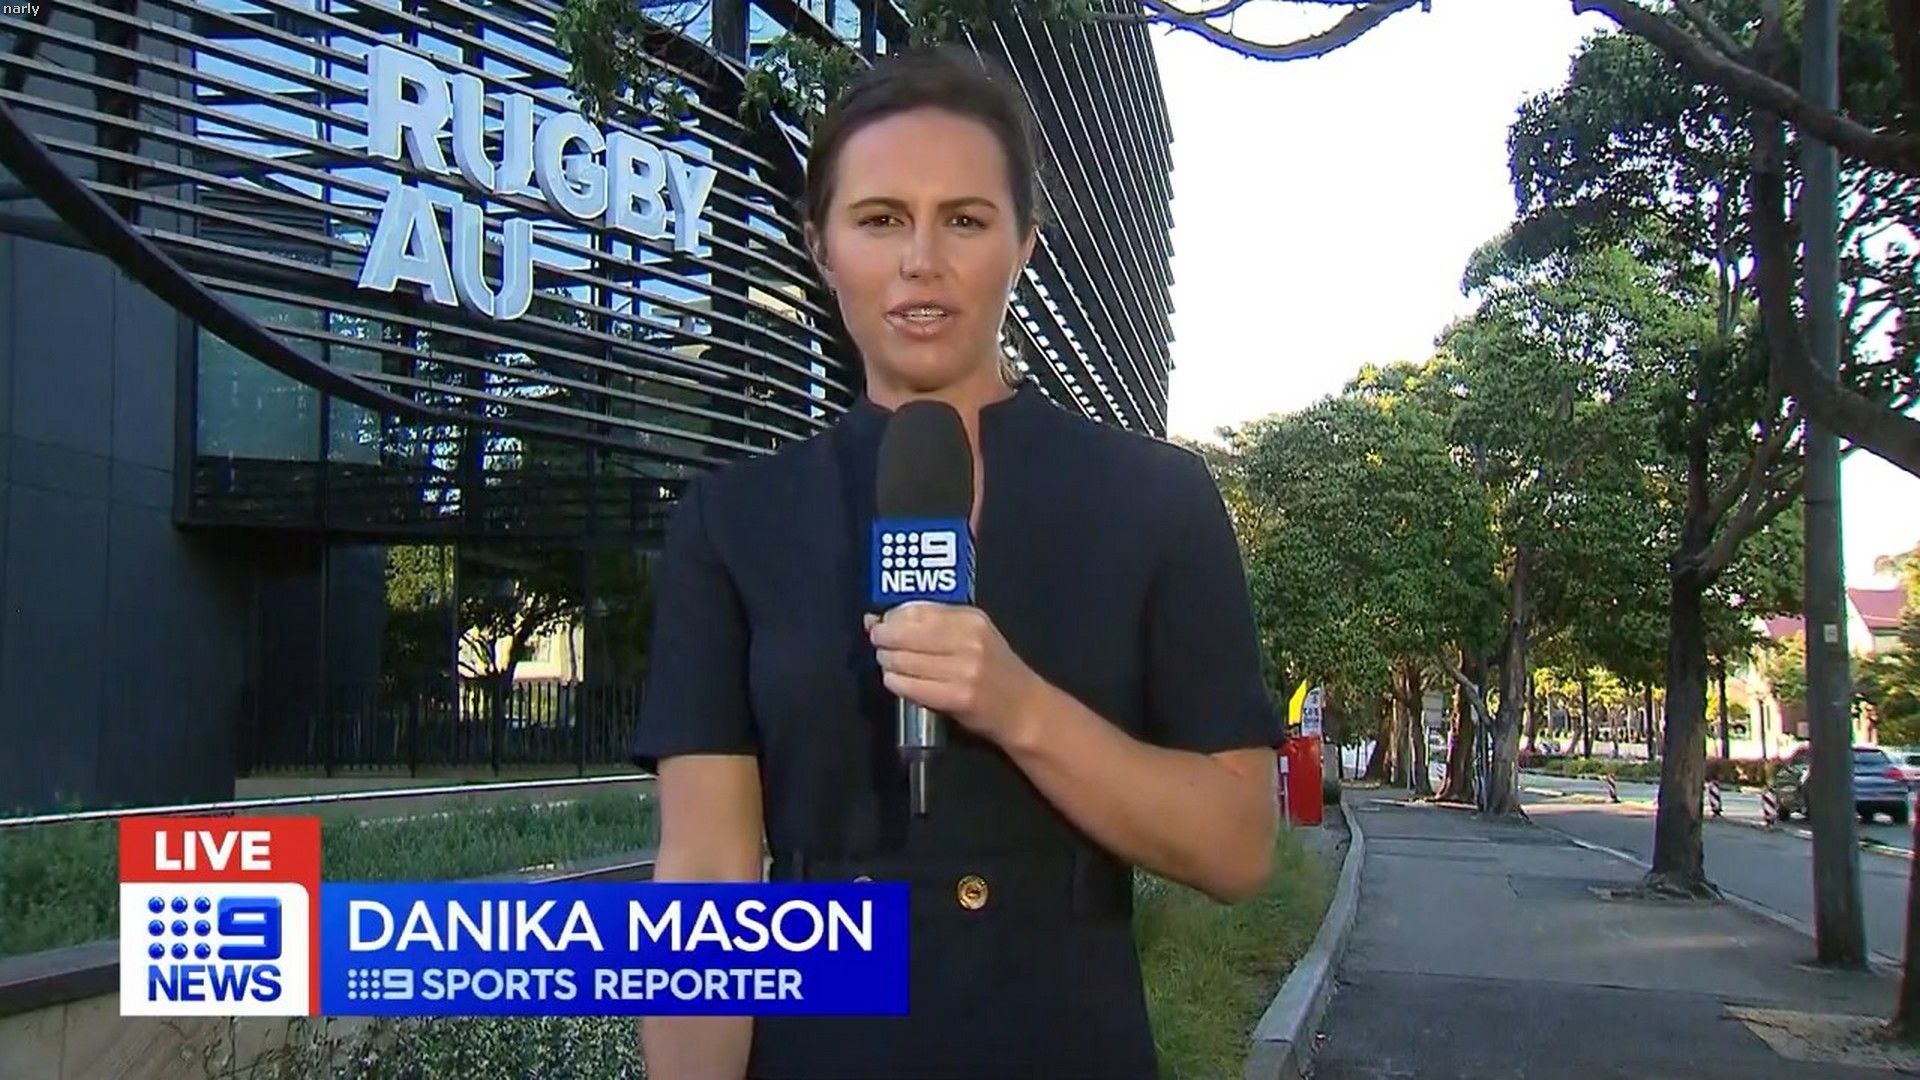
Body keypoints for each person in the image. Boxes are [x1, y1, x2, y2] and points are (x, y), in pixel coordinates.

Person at [630, 44, 1281, 1080]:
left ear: (1024, 243)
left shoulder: (1157, 499)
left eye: (966, 220)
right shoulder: (731, 523)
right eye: (880, 219)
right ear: (821, 246)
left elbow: (1239, 844)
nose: (921, 261)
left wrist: (1019, 706)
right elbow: (706, 877)